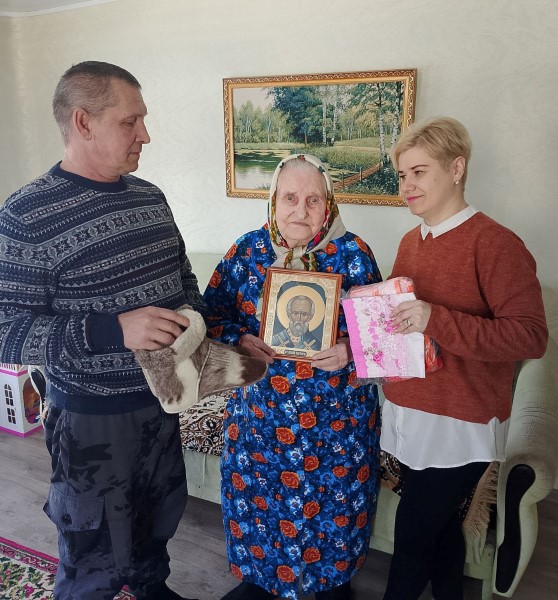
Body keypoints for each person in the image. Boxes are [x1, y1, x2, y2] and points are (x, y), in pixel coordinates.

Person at [0, 61, 204, 600]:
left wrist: (212, 329)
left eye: (143, 120)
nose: (145, 134)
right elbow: (6, 330)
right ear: (83, 122)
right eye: (129, 122)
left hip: (163, 404)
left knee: (156, 532)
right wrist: (113, 330)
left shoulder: (149, 197)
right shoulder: (25, 215)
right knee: (92, 561)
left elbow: (184, 281)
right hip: (91, 424)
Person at [381, 116, 548, 600]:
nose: (407, 186)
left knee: (413, 535)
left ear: (456, 169)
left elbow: (531, 337)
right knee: (439, 529)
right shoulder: (411, 241)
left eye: (419, 172)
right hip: (412, 413)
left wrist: (437, 318)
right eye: (402, 175)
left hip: (461, 423)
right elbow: (406, 329)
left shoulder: (496, 244)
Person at [203, 154, 382, 600]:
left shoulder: (355, 254)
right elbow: (209, 316)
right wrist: (240, 338)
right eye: (290, 198)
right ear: (273, 200)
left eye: (313, 200)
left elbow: (380, 339)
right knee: (260, 508)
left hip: (336, 424)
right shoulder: (247, 251)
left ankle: (331, 587)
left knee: (336, 509)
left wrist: (350, 351)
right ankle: (260, 585)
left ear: (329, 204)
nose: (300, 210)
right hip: (261, 419)